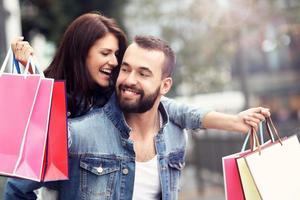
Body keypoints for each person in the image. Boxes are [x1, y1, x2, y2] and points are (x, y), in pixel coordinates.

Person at [4, 34, 270, 200]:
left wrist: (236, 122)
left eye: (143, 73)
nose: (129, 80)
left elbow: (180, 111)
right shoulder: (76, 133)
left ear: (165, 86)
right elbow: (17, 189)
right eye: (126, 69)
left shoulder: (174, 133)